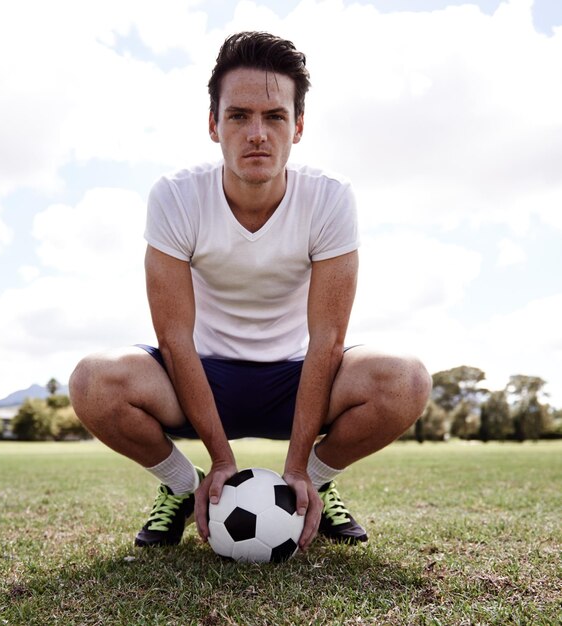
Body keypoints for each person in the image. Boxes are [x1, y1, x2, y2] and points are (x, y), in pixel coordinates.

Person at [69, 31, 431, 552]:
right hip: (199, 376)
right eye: (238, 116)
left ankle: (314, 486)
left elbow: (327, 338)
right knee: (92, 381)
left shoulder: (329, 199)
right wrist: (220, 462)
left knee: (406, 379)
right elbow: (173, 337)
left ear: (298, 126)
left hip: (298, 376)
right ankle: (183, 488)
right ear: (214, 126)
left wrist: (300, 466)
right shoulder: (176, 196)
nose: (256, 133)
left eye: (274, 117)